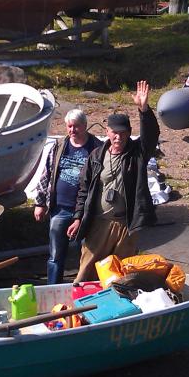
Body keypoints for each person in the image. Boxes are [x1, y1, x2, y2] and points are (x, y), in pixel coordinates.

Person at [67, 80, 160, 283]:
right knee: (87, 271)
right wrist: (77, 218)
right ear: (107, 132)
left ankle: (119, 302)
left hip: (125, 225)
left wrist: (144, 110)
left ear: (129, 133)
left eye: (123, 133)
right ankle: (81, 299)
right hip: (98, 224)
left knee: (121, 275)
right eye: (115, 132)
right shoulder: (96, 156)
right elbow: (84, 190)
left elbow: (151, 136)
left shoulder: (137, 154)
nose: (118, 137)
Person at [33, 108, 102, 284]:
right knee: (55, 255)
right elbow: (46, 174)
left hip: (86, 212)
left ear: (85, 126)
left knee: (85, 254)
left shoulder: (97, 148)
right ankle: (52, 289)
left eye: (76, 126)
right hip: (60, 209)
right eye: (69, 126)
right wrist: (40, 203)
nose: (72, 130)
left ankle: (83, 289)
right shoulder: (59, 146)